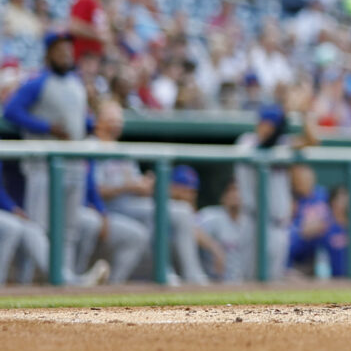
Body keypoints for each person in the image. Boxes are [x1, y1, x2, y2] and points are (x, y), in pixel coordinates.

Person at [3, 32, 93, 283]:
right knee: (38, 227)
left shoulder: (76, 83)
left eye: (68, 50)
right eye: (60, 50)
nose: (66, 55)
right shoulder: (37, 83)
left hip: (74, 164)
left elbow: (80, 119)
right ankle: (33, 281)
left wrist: (89, 124)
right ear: (48, 54)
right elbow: (11, 110)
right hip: (44, 165)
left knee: (68, 231)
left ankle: (67, 282)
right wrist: (45, 127)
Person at [90, 99, 210, 284]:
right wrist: (128, 186)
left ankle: (191, 274)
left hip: (132, 205)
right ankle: (165, 271)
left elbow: (135, 184)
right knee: (163, 214)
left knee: (181, 212)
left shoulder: (121, 149)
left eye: (119, 119)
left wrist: (144, 185)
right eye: (111, 118)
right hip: (107, 208)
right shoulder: (91, 146)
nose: (116, 123)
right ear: (97, 120)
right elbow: (94, 189)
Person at [235, 93, 317, 281]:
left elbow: (312, 141)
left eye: (272, 123)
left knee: (272, 283)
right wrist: (285, 115)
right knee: (249, 280)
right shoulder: (246, 142)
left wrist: (304, 114)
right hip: (255, 222)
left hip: (280, 225)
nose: (268, 127)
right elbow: (265, 145)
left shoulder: (282, 144)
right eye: (266, 122)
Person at [197, 177, 245, 283]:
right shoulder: (212, 215)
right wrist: (215, 248)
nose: (236, 194)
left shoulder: (251, 222)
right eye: (231, 190)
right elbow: (190, 229)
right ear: (223, 196)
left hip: (243, 282)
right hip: (213, 281)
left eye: (239, 191)